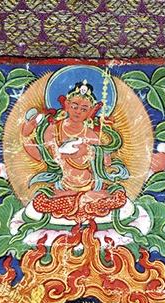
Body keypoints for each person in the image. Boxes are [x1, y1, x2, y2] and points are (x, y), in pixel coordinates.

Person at [19, 77, 129, 221]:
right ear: (67, 104)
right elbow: (40, 155)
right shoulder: (54, 129)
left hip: (90, 186)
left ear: (90, 111)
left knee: (119, 197)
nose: (78, 112)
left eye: (84, 109)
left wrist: (88, 151)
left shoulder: (90, 134)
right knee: (39, 202)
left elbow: (106, 162)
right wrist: (25, 136)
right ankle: (83, 202)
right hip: (63, 187)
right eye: (75, 106)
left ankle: (81, 200)